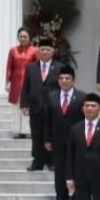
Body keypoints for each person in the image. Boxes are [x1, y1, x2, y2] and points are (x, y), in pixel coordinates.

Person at [45, 65, 85, 200]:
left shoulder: (81, 97)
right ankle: (61, 197)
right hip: (58, 140)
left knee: (77, 168)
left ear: (73, 80)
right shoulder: (51, 97)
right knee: (59, 169)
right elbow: (47, 120)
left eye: (67, 78)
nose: (64, 81)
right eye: (61, 78)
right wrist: (47, 139)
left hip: (77, 140)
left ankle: (77, 197)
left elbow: (85, 121)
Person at [21, 38, 60, 171]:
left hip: (52, 107)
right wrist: (24, 104)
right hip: (36, 106)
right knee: (36, 134)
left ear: (52, 52)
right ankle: (37, 161)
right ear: (38, 51)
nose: (44, 52)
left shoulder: (59, 67)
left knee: (52, 134)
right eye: (42, 49)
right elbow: (25, 87)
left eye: (47, 50)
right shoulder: (31, 67)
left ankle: (52, 161)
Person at [4, 28, 38, 139]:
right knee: (16, 106)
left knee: (27, 106)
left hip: (29, 82)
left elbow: (38, 68)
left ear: (29, 38)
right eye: (20, 36)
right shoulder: (13, 51)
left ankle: (27, 130)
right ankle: (16, 130)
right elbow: (9, 67)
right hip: (16, 82)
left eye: (25, 36)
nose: (22, 39)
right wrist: (8, 81)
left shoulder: (34, 51)